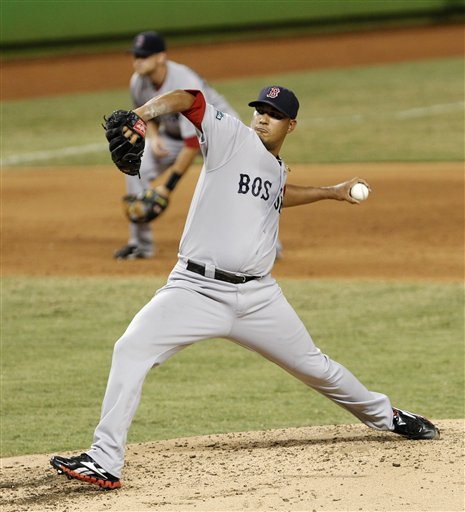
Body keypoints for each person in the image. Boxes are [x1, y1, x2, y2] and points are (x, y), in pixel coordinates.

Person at [51, 86, 439, 490]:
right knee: (130, 348)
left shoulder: (276, 167)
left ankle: (386, 416)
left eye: (273, 113)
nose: (262, 118)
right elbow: (191, 98)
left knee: (317, 368)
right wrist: (143, 113)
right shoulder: (231, 137)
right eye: (259, 110)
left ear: (291, 125)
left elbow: (276, 193)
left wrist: (330, 192)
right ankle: (104, 459)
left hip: (258, 300)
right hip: (194, 290)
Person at [114, 31, 239, 260]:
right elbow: (145, 116)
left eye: (144, 55)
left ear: (161, 57)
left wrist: (168, 188)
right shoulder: (138, 81)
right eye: (135, 55)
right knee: (135, 165)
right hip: (175, 136)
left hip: (221, 134)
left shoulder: (183, 83)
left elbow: (192, 145)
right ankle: (140, 245)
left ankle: (267, 247)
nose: (137, 60)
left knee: (240, 184)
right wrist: (153, 136)